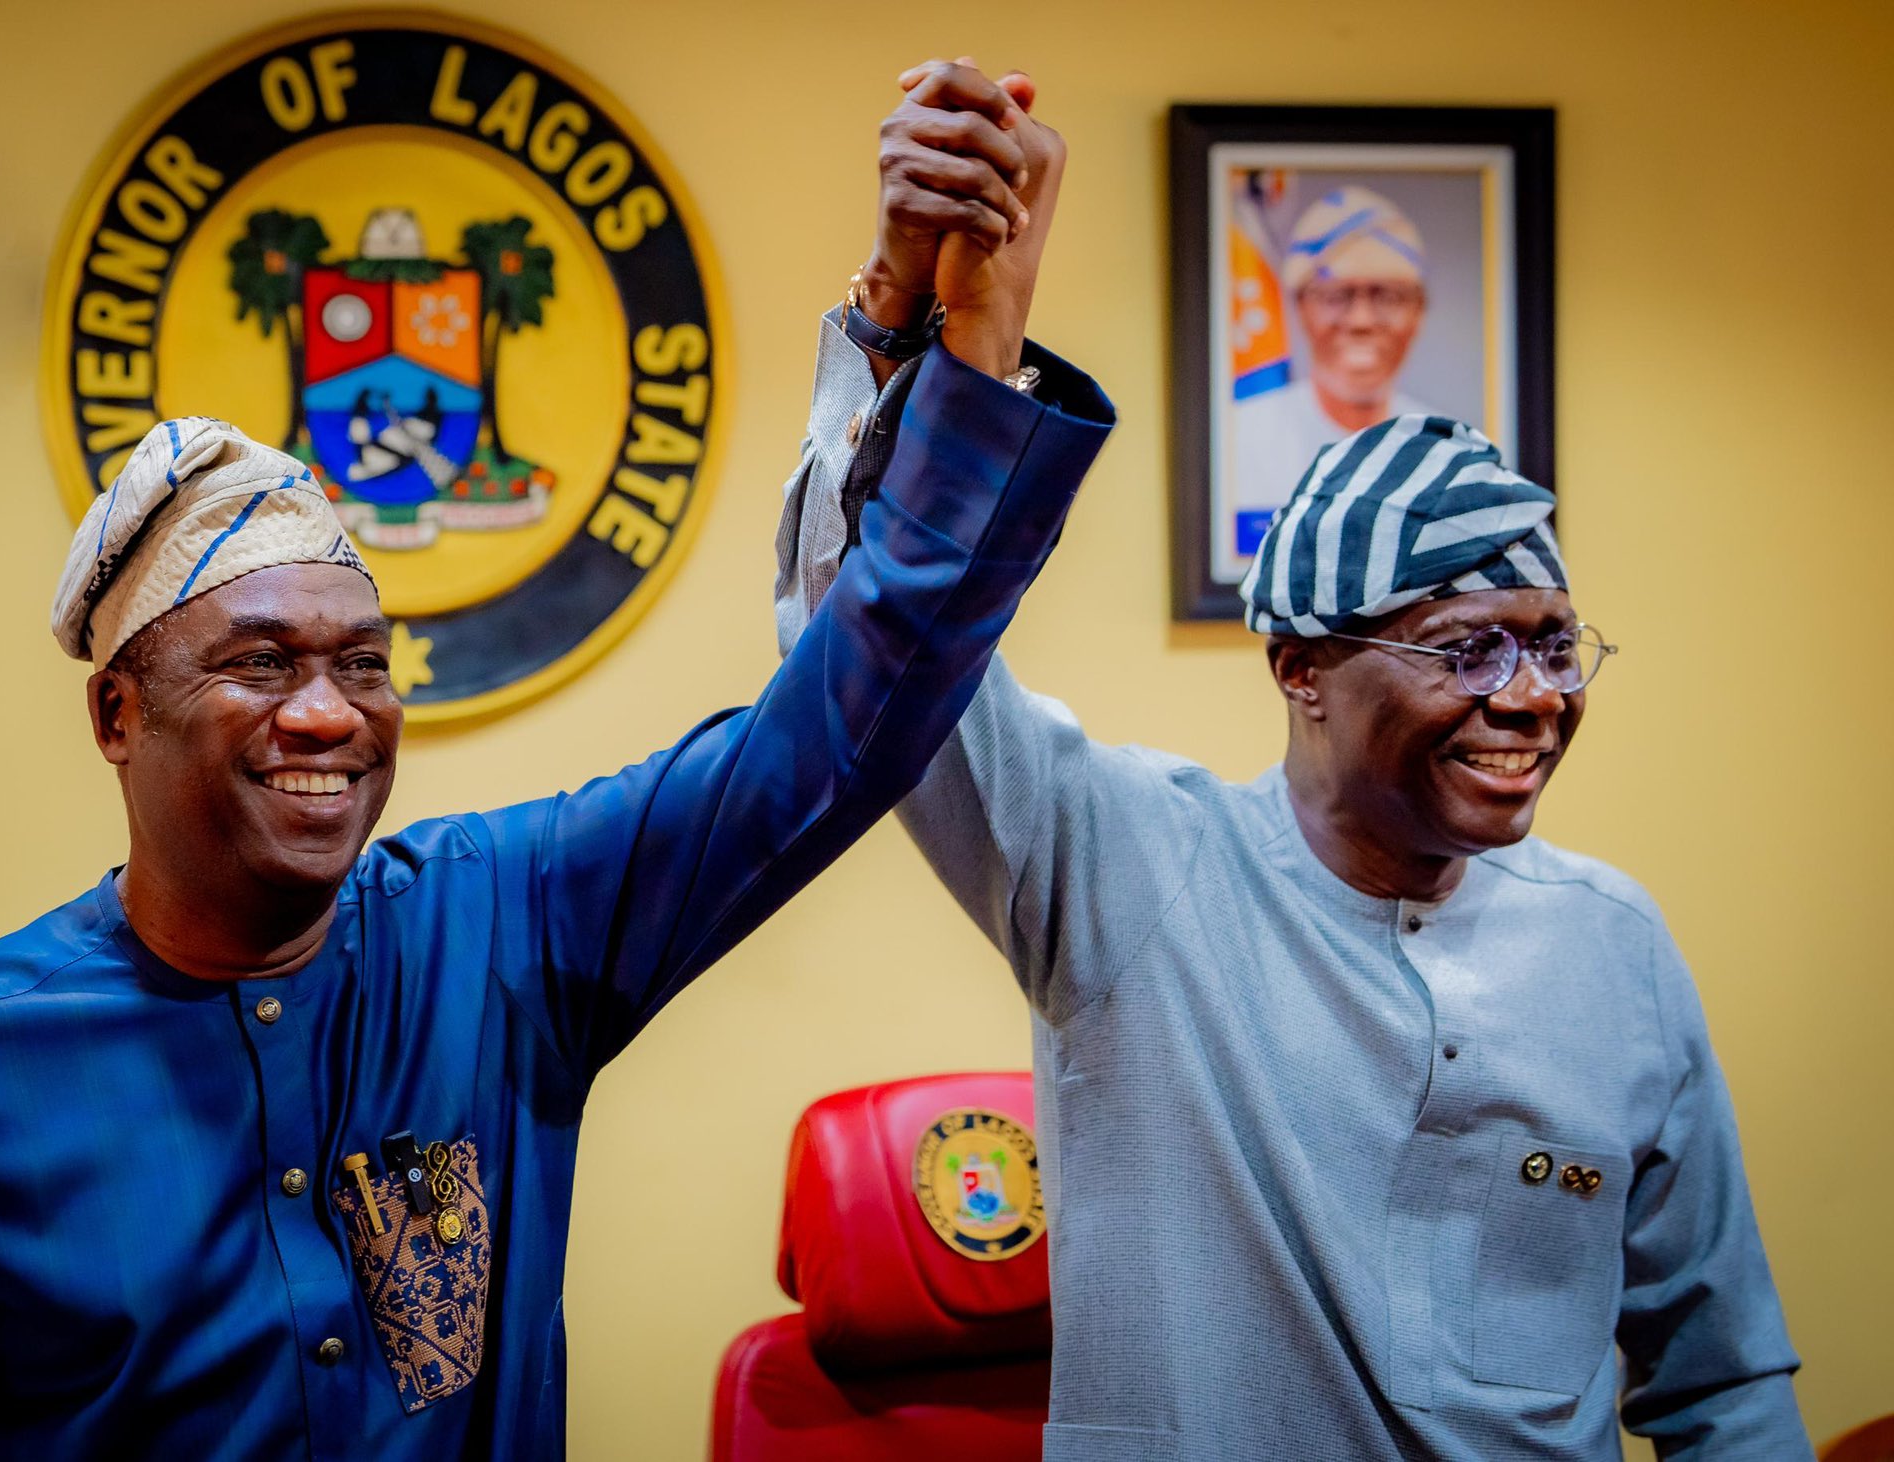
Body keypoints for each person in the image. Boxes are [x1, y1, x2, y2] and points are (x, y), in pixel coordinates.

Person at [0, 66, 1105, 1461]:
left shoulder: (498, 928)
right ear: (117, 714)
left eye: (362, 663)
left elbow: (836, 734)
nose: (327, 713)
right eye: (259, 662)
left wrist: (934, 337)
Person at [775, 69, 1810, 1460]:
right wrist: (905, 313)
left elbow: (1722, 1385)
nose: (1532, 699)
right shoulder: (1121, 868)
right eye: (1468, 648)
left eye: (1555, 645)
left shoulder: (1613, 948)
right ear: (1302, 667)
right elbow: (865, 652)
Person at [1231, 185, 1436, 541]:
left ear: (1418, 312)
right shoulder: (1237, 442)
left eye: (1388, 296)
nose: (1361, 320)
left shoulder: (1450, 450)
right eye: (1336, 296)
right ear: (1300, 308)